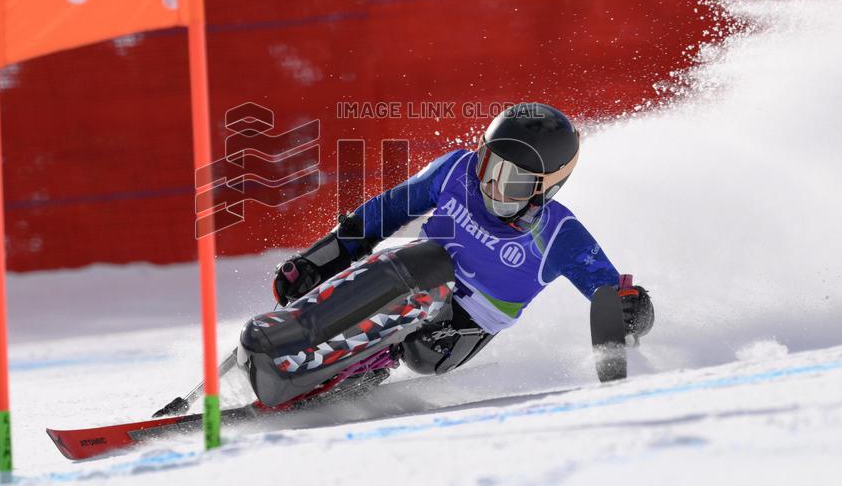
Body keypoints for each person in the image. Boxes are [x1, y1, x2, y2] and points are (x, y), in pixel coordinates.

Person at [240, 102, 654, 407]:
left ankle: (299, 353)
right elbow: (388, 211)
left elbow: (610, 293)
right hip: (401, 282)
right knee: (403, 255)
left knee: (423, 263)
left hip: (451, 334)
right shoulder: (457, 171)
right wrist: (319, 259)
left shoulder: (560, 233)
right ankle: (318, 348)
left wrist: (633, 310)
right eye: (488, 166)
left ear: (548, 188)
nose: (492, 186)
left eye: (512, 184)